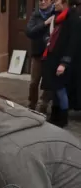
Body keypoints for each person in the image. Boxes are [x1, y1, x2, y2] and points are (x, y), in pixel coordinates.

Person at [41, 0, 79, 128]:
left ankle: (63, 118)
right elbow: (52, 36)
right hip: (52, 58)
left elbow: (72, 43)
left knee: (61, 90)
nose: (54, 3)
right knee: (55, 89)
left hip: (62, 60)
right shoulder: (58, 17)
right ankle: (54, 117)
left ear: (65, 2)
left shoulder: (72, 18)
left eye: (56, 0)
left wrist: (64, 63)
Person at [25, 0, 54, 112]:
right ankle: (32, 103)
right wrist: (45, 23)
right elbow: (29, 31)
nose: (42, 2)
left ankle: (44, 104)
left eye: (45, 0)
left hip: (51, 54)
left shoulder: (55, 13)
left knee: (48, 82)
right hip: (37, 53)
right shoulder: (36, 14)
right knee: (33, 82)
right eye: (40, 0)